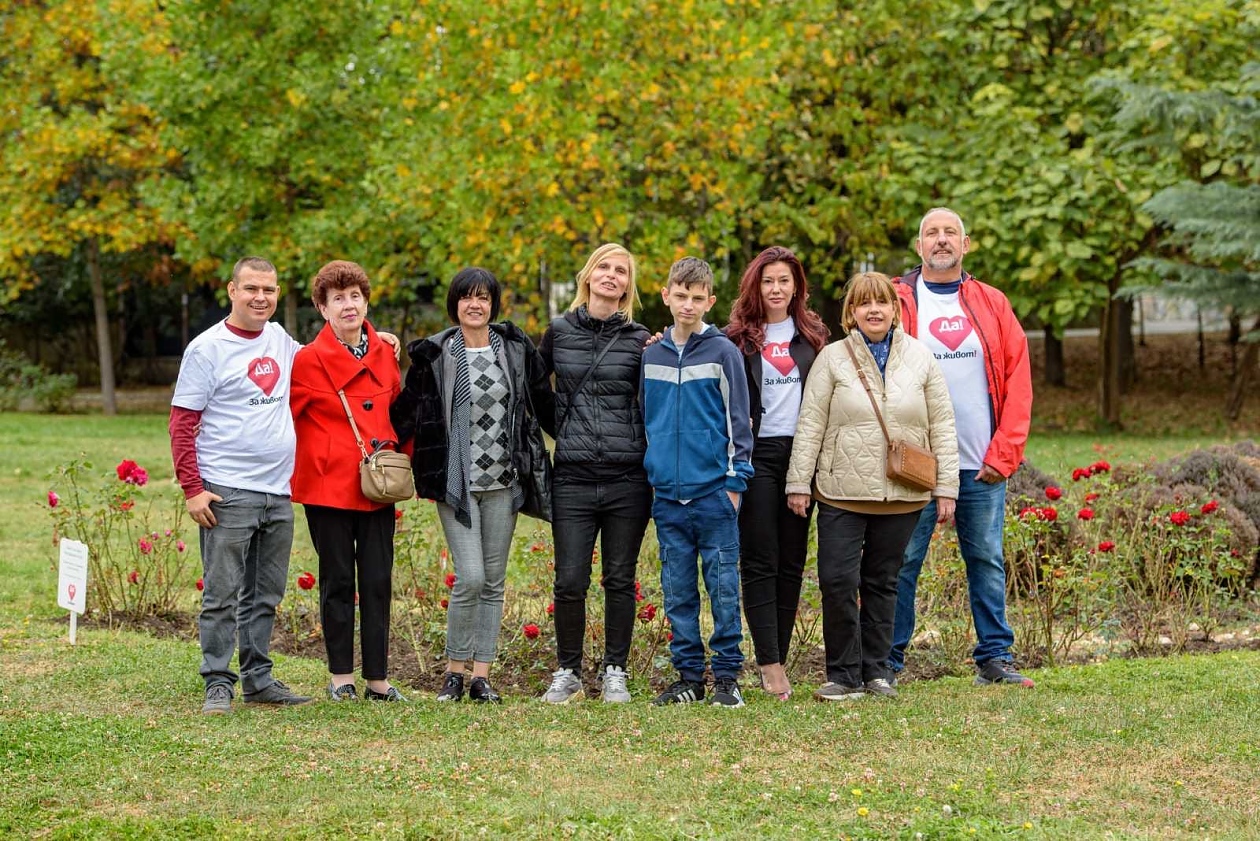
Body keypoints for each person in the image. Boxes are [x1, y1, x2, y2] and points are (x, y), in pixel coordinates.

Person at [786, 271, 958, 701]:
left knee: (884, 582)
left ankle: (877, 671)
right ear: (851, 313)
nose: (874, 310)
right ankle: (842, 674)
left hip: (901, 495)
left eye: (882, 302)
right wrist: (798, 482)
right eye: (864, 303)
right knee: (837, 580)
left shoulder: (921, 358)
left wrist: (947, 488)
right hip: (841, 491)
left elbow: (942, 424)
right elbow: (810, 424)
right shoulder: (832, 359)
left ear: (895, 310)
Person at [390, 267, 554, 703]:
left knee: (494, 581)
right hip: (456, 481)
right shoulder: (436, 353)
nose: (475, 304)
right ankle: (453, 673)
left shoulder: (514, 348)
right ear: (455, 304)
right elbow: (403, 412)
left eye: (483, 297)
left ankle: (481, 676)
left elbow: (542, 401)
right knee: (472, 577)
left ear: (493, 304)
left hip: (504, 480)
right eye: (466, 297)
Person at [887, 207, 1035, 687]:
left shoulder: (992, 303)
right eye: (932, 233)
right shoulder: (896, 300)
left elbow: (1019, 381)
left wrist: (1004, 453)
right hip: (913, 464)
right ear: (919, 246)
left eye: (950, 232)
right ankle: (885, 662)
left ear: (965, 244)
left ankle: (994, 659)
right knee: (901, 561)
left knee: (987, 559)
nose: (942, 240)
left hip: (979, 462)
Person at [170, 256, 313, 714]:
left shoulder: (279, 339)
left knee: (266, 593)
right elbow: (181, 423)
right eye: (251, 288)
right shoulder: (207, 349)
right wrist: (193, 490)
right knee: (222, 593)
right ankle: (217, 680)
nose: (260, 297)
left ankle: (258, 678)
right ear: (231, 291)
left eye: (268, 290)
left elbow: (320, 358)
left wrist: (371, 339)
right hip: (227, 491)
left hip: (278, 491)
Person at [537, 244, 652, 704]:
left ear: (628, 284)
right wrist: (560, 427)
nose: (611, 276)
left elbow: (654, 400)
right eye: (603, 267)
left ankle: (615, 672)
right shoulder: (558, 331)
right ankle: (567, 672)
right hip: (573, 478)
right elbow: (532, 383)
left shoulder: (642, 339)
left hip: (628, 478)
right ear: (588, 276)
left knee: (620, 578)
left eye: (620, 271)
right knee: (569, 580)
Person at [290, 260, 406, 703]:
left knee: (377, 579)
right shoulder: (307, 359)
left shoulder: (385, 352)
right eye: (337, 298)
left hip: (377, 484)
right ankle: (341, 676)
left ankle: (378, 678)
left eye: (354, 295)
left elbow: (398, 412)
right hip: (328, 486)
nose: (348, 304)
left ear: (366, 301)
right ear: (322, 308)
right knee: (337, 580)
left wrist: (400, 460)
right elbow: (286, 420)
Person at [641, 256, 754, 707]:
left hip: (714, 494)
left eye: (697, 298)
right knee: (678, 592)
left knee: (724, 589)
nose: (688, 305)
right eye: (680, 296)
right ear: (666, 296)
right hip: (668, 497)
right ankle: (688, 676)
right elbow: (647, 420)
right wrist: (655, 477)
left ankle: (727, 676)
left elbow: (739, 422)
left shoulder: (723, 352)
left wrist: (734, 483)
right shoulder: (651, 355)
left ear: (710, 301)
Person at [725, 245, 829, 700]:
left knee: (791, 561)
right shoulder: (737, 339)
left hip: (803, 456)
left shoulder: (814, 337)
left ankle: (778, 657)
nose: (776, 288)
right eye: (768, 280)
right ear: (755, 285)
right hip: (757, 455)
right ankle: (769, 664)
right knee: (760, 558)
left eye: (784, 280)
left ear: (796, 287)